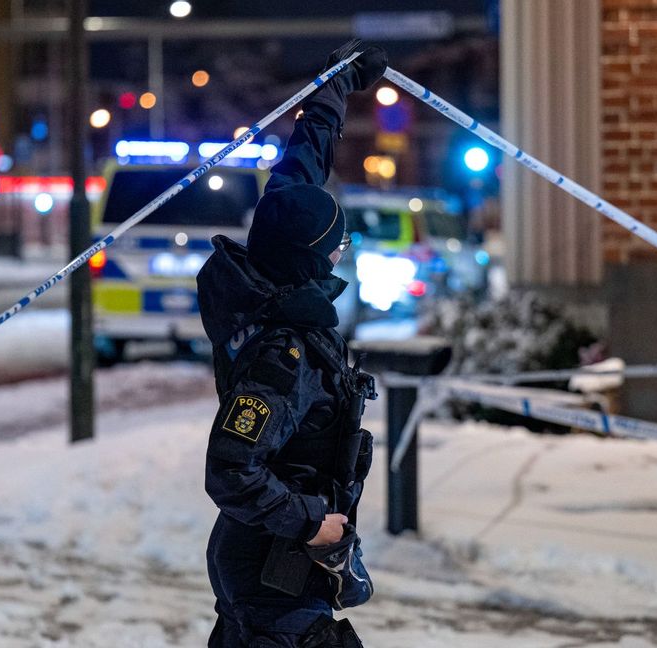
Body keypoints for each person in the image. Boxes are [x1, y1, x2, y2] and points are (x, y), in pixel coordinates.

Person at [196, 40, 387, 648]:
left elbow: (303, 162)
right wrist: (312, 524)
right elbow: (230, 470)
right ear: (311, 259)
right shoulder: (284, 357)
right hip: (272, 573)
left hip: (282, 567)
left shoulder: (273, 252)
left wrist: (338, 80)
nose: (342, 253)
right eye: (338, 246)